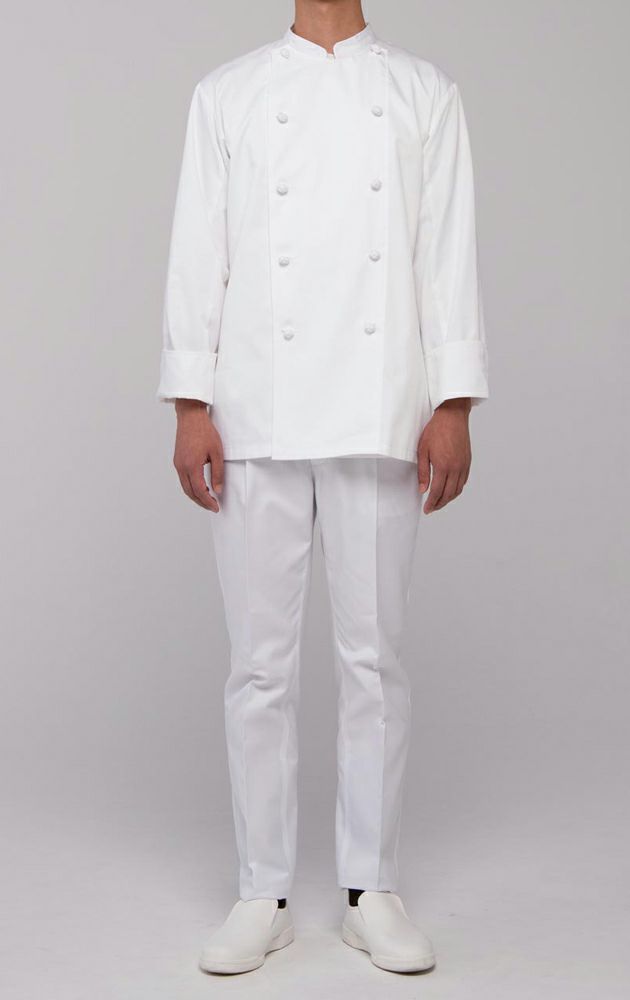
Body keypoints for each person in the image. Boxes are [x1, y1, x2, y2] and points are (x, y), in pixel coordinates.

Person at [157, 0, 488, 976]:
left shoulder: (424, 92)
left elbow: (446, 252)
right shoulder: (229, 94)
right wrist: (189, 400)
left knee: (373, 660)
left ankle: (370, 889)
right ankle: (260, 891)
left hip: (381, 406)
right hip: (254, 406)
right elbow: (199, 252)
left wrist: (454, 400)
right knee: (258, 666)